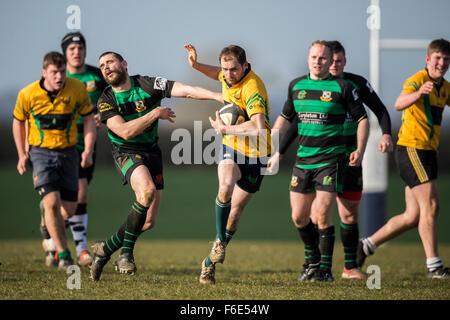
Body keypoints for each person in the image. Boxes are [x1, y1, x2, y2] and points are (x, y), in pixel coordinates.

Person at [90, 51, 224, 281]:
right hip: (126, 151)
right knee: (147, 191)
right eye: (102, 65)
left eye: (110, 62)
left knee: (149, 220)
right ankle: (126, 254)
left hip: (151, 151)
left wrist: (220, 97)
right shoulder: (106, 100)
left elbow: (188, 90)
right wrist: (154, 114)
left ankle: (105, 250)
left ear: (124, 64)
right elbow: (124, 131)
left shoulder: (148, 84)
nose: (106, 67)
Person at [272, 40, 393, 280]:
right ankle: (314, 263)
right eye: (316, 57)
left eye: (329, 59)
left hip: (340, 159)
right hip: (308, 159)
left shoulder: (349, 86)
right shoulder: (298, 86)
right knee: (304, 215)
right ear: (309, 58)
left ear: (341, 61)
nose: (324, 62)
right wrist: (276, 149)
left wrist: (373, 142)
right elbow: (293, 120)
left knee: (340, 213)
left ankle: (340, 268)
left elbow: (373, 113)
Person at [357, 38, 450, 279]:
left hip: (427, 153)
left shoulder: (445, 88)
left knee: (413, 216)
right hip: (412, 149)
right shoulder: (418, 80)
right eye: (437, 58)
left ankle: (366, 244)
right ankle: (434, 267)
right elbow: (399, 103)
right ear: (428, 59)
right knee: (431, 205)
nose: (442, 63)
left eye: (446, 60)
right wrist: (419, 93)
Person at [184, 44, 271, 285]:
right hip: (232, 146)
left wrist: (224, 129)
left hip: (257, 154)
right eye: (226, 69)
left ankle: (209, 263)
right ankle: (220, 243)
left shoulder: (253, 87)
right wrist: (196, 65)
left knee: (235, 213)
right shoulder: (226, 74)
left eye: (234, 69)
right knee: (225, 186)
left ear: (245, 66)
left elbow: (257, 127)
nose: (228, 74)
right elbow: (216, 73)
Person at [12, 51, 96, 270]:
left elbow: (88, 118)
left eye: (61, 72)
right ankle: (63, 254)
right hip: (40, 153)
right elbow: (18, 122)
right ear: (44, 73)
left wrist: (87, 150)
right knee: (51, 202)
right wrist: (22, 154)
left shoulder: (77, 88)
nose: (59, 77)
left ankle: (48, 217)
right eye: (54, 72)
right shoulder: (28, 94)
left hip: (69, 152)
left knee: (68, 209)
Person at [39, 32, 107, 268]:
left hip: (86, 142)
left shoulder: (96, 76)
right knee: (67, 195)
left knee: (78, 196)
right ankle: (80, 250)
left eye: (80, 48)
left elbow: (113, 99)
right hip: (58, 144)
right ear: (64, 53)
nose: (76, 52)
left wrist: (104, 116)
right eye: (71, 49)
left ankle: (50, 229)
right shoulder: (56, 77)